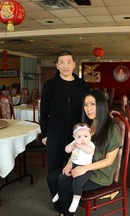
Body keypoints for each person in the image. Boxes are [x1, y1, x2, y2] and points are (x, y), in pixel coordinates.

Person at [47, 89, 122, 216]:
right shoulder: (89, 125)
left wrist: (84, 168)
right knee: (52, 178)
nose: (88, 108)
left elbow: (109, 160)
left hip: (99, 174)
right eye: (86, 105)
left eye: (92, 104)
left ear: (101, 104)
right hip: (81, 165)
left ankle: (68, 212)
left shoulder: (112, 129)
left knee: (64, 184)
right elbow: (77, 146)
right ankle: (63, 209)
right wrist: (70, 162)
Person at [39, 51, 90, 211]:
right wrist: (45, 134)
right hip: (54, 134)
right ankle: (58, 203)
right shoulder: (50, 85)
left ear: (74, 64)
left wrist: (87, 133)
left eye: (68, 62)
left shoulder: (82, 85)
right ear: (57, 65)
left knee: (73, 169)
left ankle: (69, 201)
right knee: (54, 171)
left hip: (77, 137)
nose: (65, 65)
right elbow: (44, 112)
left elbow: (87, 110)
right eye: (61, 62)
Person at [52, 122, 95, 213]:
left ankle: (76, 200)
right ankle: (59, 193)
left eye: (85, 136)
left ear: (90, 135)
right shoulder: (75, 142)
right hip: (74, 165)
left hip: (85, 168)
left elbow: (90, 151)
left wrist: (80, 146)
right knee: (62, 176)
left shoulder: (90, 144)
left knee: (77, 183)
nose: (82, 139)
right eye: (79, 137)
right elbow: (67, 150)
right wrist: (71, 146)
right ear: (74, 137)